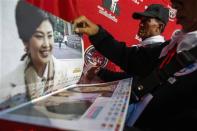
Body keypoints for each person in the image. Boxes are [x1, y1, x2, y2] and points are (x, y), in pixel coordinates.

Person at [73, 0, 197, 130]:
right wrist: (96, 32)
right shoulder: (171, 47)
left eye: (146, 21)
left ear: (159, 27)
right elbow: (131, 59)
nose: (174, 5)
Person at [0, 0, 69, 109]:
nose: (46, 44)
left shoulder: (65, 71)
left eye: (50, 36)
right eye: (39, 36)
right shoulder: (5, 85)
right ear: (25, 41)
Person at [84, 4, 169, 83]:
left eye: (146, 21)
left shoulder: (156, 53)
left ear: (159, 27)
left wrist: (101, 72)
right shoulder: (144, 48)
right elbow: (121, 54)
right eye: (141, 20)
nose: (141, 24)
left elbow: (133, 80)